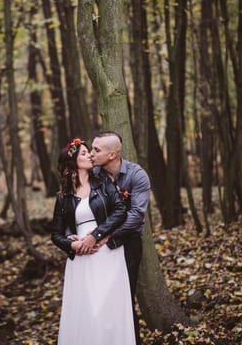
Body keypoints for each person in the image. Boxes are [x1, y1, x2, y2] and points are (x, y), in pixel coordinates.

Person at [51, 138, 136, 345]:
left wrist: (95, 235)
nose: (89, 155)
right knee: (86, 310)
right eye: (83, 153)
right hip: (81, 259)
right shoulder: (63, 196)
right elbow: (56, 234)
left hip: (106, 252)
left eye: (90, 151)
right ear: (72, 162)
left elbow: (120, 211)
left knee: (107, 310)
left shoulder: (103, 183)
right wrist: (72, 245)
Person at [88, 130, 151, 343]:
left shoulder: (136, 175)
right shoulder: (93, 175)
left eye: (96, 149)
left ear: (112, 154)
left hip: (128, 244)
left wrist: (108, 234)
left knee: (124, 298)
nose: (91, 153)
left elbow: (136, 214)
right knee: (100, 298)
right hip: (98, 246)